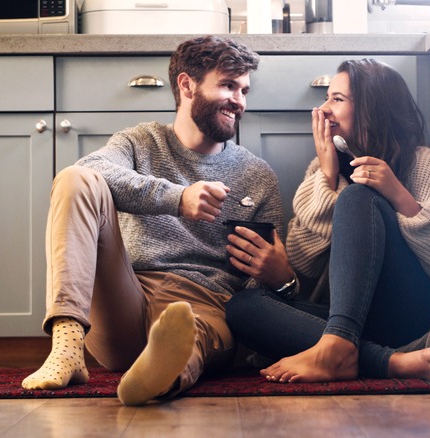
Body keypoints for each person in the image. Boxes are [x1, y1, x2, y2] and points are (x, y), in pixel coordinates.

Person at [21, 35, 294, 406]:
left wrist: (282, 279)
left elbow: (260, 289)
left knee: (190, 332)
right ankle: (67, 346)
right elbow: (89, 168)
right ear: (187, 85)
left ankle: (160, 375)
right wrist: (177, 198)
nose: (239, 101)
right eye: (228, 86)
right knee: (75, 179)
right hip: (127, 296)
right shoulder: (139, 142)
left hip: (206, 304)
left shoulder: (257, 175)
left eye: (244, 90)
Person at [225, 58, 430, 384]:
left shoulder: (420, 162)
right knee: (243, 307)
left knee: (358, 196)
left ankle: (341, 345)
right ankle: (386, 362)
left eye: (337, 99)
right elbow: (304, 269)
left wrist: (398, 195)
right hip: (354, 323)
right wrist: (327, 177)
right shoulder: (322, 171)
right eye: (326, 98)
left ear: (371, 109)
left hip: (413, 314)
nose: (323, 110)